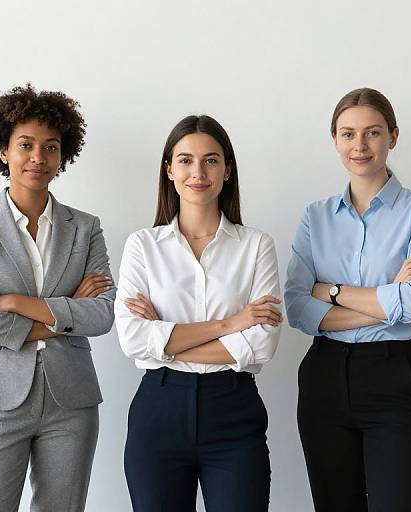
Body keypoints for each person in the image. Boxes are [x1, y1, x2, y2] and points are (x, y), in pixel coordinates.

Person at [0, 84, 116, 511]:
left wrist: (10, 301)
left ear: (63, 155)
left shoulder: (85, 226)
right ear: (4, 150)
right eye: (26, 144)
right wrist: (63, 316)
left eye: (51, 147)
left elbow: (102, 315)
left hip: (71, 402)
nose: (38, 157)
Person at [284, 87, 411, 512]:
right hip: (324, 377)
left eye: (372, 133)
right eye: (348, 134)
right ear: (334, 139)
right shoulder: (315, 217)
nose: (360, 145)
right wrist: (385, 300)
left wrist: (331, 293)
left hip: (395, 376)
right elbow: (298, 307)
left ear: (392, 135)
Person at [114, 115, 282, 512]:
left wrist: (164, 339)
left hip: (233, 411)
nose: (198, 172)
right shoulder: (143, 245)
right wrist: (230, 324)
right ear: (169, 170)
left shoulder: (256, 245)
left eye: (210, 160)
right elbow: (133, 340)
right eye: (185, 160)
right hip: (159, 411)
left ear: (227, 170)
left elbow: (261, 345)